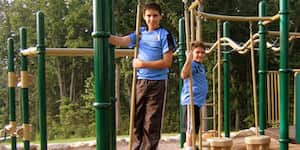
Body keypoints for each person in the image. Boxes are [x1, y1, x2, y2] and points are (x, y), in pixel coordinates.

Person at [109, 3, 176, 150]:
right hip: (140, 81)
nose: (152, 19)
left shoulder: (164, 35)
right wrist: (104, 35)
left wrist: (142, 64)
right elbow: (121, 41)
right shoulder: (140, 33)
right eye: (149, 16)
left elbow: (167, 62)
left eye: (155, 15)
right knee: (136, 117)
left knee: (151, 121)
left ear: (160, 16)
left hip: (157, 82)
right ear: (144, 17)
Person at [180, 41, 208, 150]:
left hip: (197, 102)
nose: (200, 55)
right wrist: (188, 59)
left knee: (195, 128)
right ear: (192, 53)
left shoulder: (200, 66)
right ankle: (189, 147)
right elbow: (183, 75)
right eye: (197, 52)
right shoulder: (191, 63)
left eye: (202, 52)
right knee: (191, 129)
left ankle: (190, 146)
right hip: (191, 101)